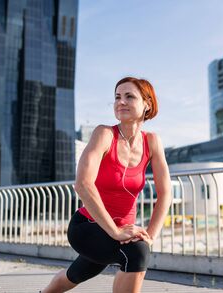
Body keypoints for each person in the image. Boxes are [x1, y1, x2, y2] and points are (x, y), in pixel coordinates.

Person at [41, 77, 171, 293]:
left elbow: (165, 192)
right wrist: (115, 232)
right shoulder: (104, 134)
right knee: (136, 253)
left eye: (129, 96)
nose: (121, 102)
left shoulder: (152, 142)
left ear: (147, 104)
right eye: (117, 97)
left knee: (75, 275)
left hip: (120, 230)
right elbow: (82, 184)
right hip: (88, 226)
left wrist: (150, 235)